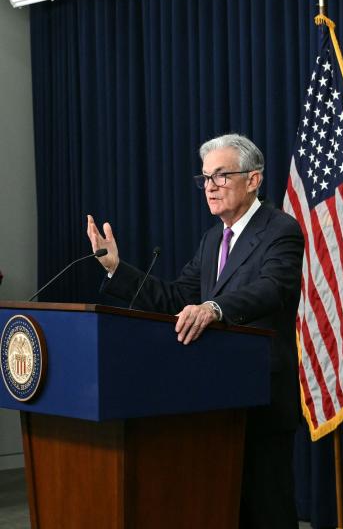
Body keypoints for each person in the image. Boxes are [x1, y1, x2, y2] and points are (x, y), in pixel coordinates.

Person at [86, 133, 304, 529]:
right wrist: (115, 269)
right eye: (205, 178)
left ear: (253, 179)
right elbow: (174, 298)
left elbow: (273, 288)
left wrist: (215, 308)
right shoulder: (210, 241)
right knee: (221, 509)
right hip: (212, 398)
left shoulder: (280, 230)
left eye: (221, 176)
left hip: (261, 397)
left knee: (267, 510)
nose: (210, 186)